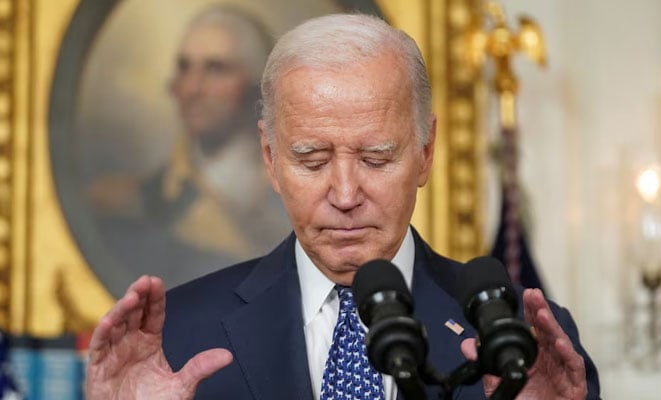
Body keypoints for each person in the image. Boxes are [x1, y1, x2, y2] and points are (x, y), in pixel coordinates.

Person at [85, 13, 601, 399]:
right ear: (270, 158)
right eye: (311, 160)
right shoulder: (179, 335)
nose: (346, 195)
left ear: (425, 153)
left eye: (376, 158)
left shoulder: (523, 343)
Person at [87, 4, 290, 291]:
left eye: (216, 69)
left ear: (257, 87)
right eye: (185, 68)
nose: (193, 88)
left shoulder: (297, 195)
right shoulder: (128, 204)